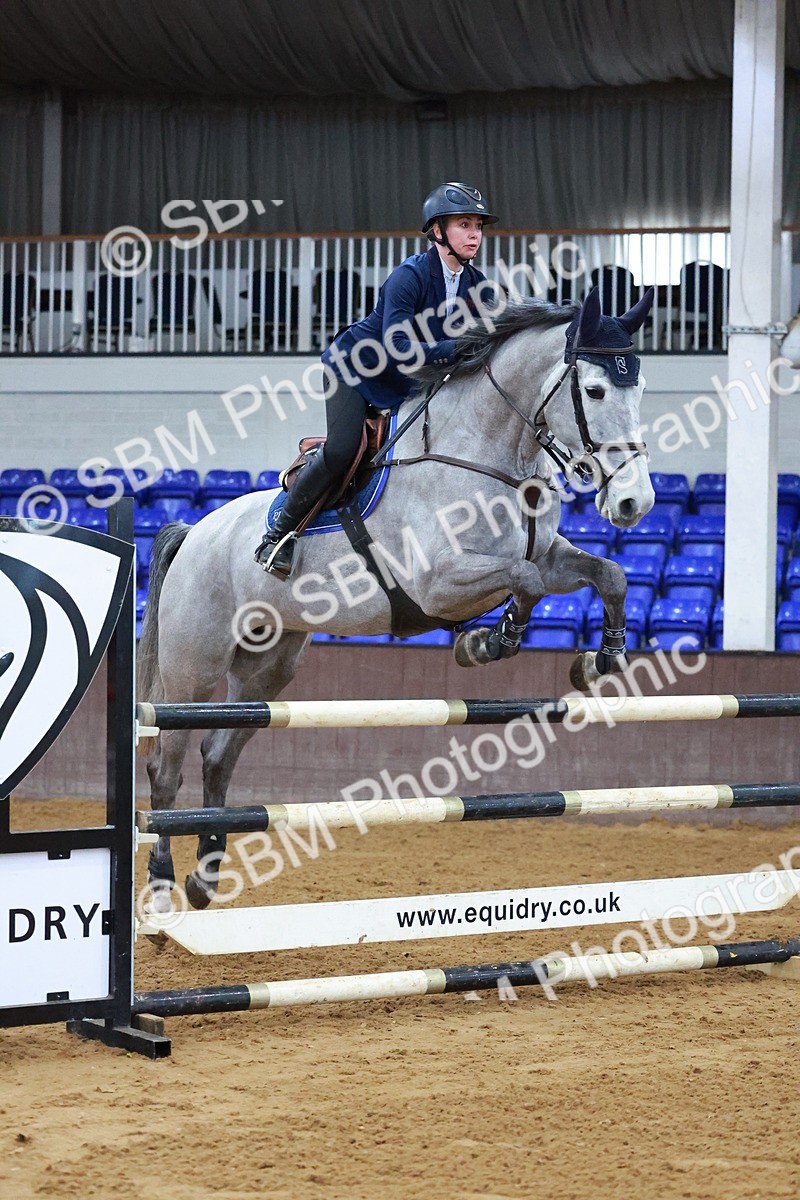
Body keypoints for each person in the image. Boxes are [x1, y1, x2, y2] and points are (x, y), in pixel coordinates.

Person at [255, 181, 498, 578]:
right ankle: (278, 535)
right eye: (464, 224)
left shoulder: (477, 286)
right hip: (355, 367)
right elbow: (399, 344)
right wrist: (457, 348)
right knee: (343, 449)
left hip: (407, 381)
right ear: (437, 231)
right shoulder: (409, 276)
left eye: (478, 226)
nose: (475, 233)